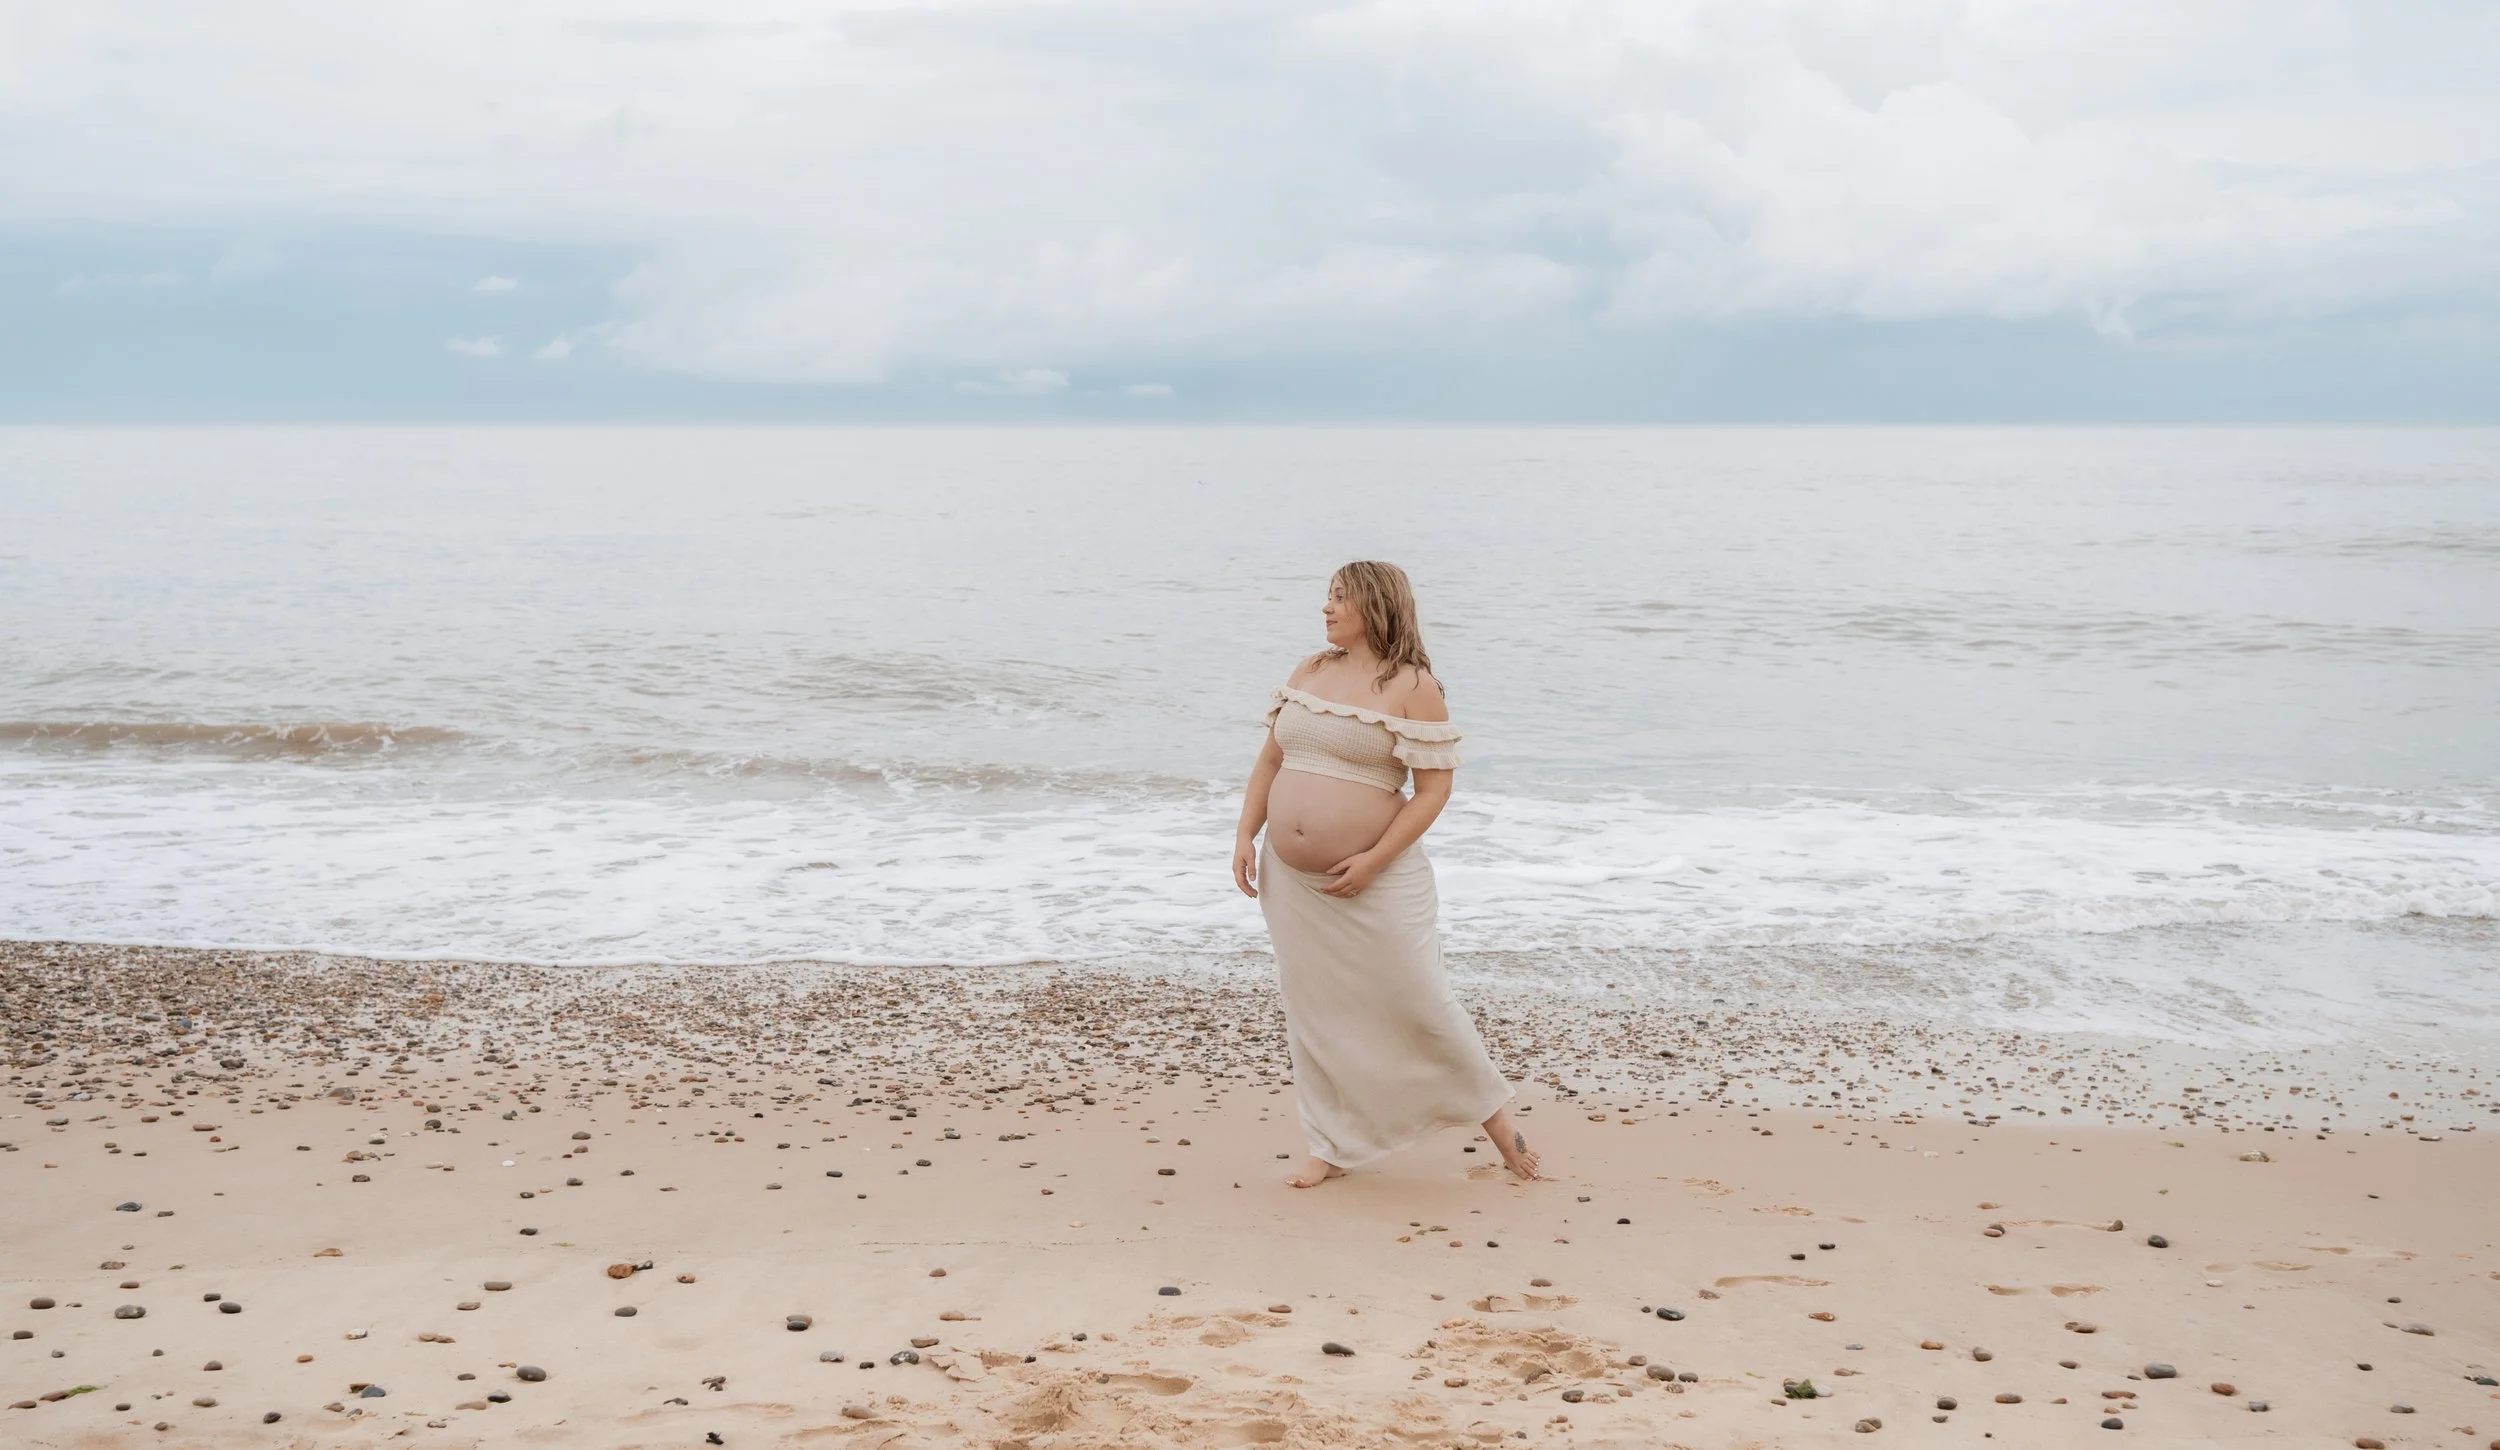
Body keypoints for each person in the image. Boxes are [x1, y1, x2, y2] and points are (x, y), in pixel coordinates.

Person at [1232, 560, 1542, 1189]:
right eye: (1326, 596)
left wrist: (1374, 859)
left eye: (1339, 598)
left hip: (1379, 880)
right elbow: (1270, 760)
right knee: (1315, 1010)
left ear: (1374, 605)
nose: (1326, 609)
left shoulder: (1412, 685)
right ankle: (1331, 1145)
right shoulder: (1310, 671)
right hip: (1293, 883)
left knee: (1421, 1001)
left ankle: (1500, 1125)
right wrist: (1245, 833)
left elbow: (1432, 791)